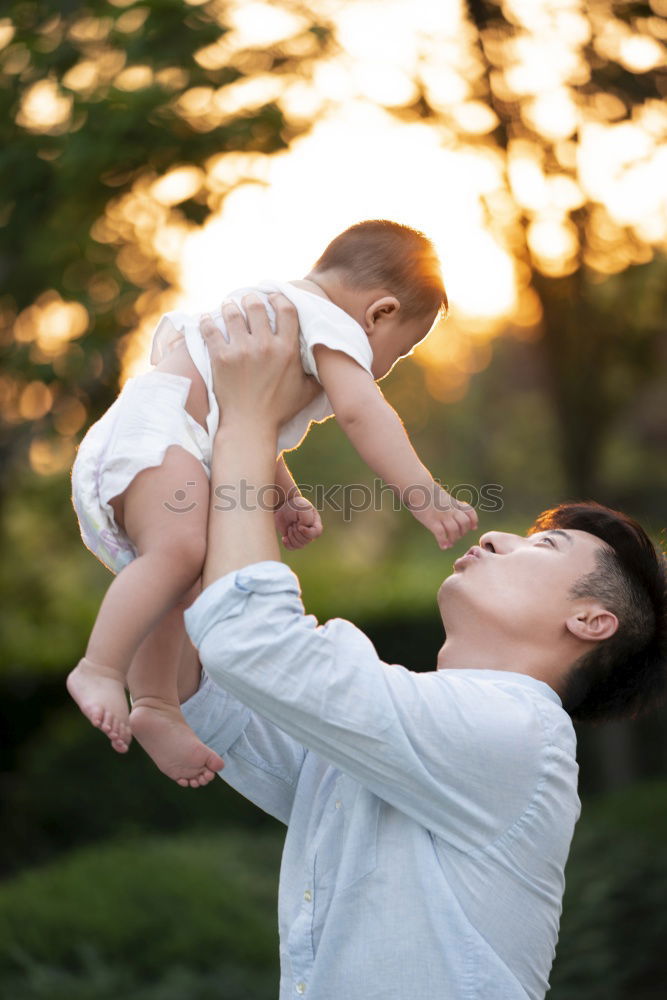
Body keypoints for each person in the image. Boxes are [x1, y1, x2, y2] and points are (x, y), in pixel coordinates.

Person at [177, 293, 666, 1000]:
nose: (497, 536)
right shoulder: (407, 740)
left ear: (591, 620)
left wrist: (251, 422)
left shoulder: (516, 732)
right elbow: (221, 698)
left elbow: (253, 645)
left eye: (544, 544)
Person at [67, 220, 478, 786]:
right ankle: (99, 667)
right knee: (179, 553)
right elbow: (364, 414)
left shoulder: (281, 314)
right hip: (160, 434)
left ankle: (157, 705)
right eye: (399, 354)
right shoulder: (329, 323)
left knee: (181, 573)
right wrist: (425, 495)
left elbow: (243, 423)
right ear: (378, 313)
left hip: (175, 439)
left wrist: (286, 497)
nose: (382, 369)